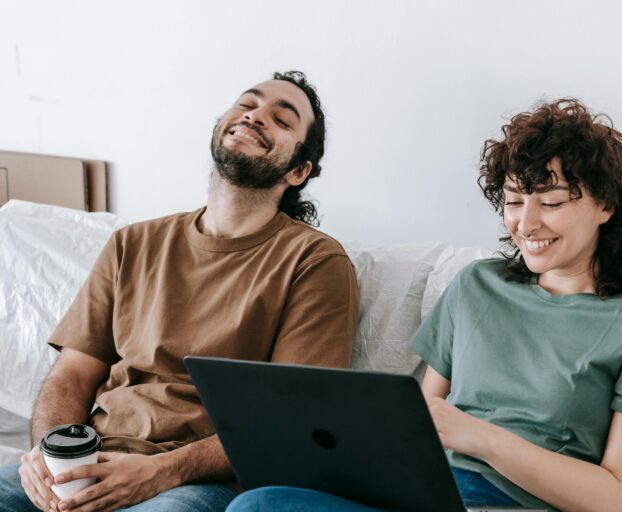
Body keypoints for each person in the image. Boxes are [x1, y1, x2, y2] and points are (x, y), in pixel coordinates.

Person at [224, 98, 622, 512]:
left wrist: (479, 436)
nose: (526, 223)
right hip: (423, 490)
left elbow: (617, 498)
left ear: (606, 205)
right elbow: (422, 421)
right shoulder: (478, 285)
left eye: (551, 203)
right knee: (261, 500)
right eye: (514, 201)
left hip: (516, 503)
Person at [0, 70, 360, 512]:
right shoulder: (132, 243)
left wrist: (162, 470)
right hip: (90, 462)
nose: (256, 115)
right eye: (247, 103)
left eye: (282, 120)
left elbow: (293, 420)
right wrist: (48, 455)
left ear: (298, 170)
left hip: (197, 482)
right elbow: (71, 373)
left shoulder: (314, 262)